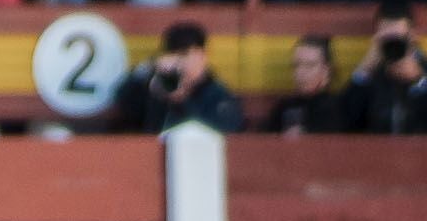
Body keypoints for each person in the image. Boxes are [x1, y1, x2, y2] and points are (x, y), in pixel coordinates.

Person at [109, 20, 246, 134]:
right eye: (174, 56)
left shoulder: (218, 95)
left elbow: (219, 131)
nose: (179, 63)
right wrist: (148, 66)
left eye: (185, 55)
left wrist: (180, 101)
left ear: (203, 55)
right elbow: (123, 100)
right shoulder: (159, 88)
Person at [339, 5, 427, 135]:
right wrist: (365, 69)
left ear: (413, 36)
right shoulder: (371, 75)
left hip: (423, 151)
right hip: (377, 151)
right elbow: (345, 121)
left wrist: (419, 81)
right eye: (387, 39)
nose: (393, 45)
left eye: (398, 38)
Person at [265, 36, 346, 136]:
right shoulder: (284, 107)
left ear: (326, 70)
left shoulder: (339, 107)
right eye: (296, 65)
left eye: (309, 65)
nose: (300, 72)